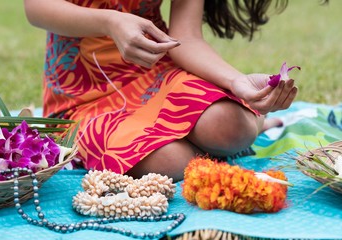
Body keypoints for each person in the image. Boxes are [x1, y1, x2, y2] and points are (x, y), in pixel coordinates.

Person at [23, 0, 296, 182]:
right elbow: (36, 8)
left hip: (155, 71)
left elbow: (186, 36)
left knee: (230, 127)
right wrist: (110, 22)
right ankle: (206, 142)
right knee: (170, 163)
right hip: (82, 90)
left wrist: (235, 82)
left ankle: (252, 120)